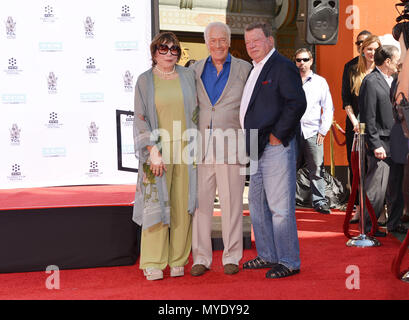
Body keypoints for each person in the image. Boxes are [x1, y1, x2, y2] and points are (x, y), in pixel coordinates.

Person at [240, 22, 306, 279]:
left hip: (275, 147)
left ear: (270, 40)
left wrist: (278, 135)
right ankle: (267, 254)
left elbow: (296, 103)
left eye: (256, 40)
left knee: (280, 208)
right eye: (247, 43)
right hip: (256, 147)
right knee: (256, 205)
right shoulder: (255, 68)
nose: (251, 46)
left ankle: (289, 261)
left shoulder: (283, 66)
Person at [132, 32, 198, 280]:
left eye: (175, 50)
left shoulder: (188, 76)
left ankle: (178, 259)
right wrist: (152, 151)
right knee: (155, 206)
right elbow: (140, 119)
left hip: (186, 150)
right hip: (156, 152)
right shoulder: (144, 81)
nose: (170, 53)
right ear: (153, 52)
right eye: (164, 48)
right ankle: (153, 261)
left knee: (183, 205)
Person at [189, 22, 252, 277]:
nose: (217, 45)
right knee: (201, 206)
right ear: (206, 42)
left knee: (232, 204)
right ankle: (201, 258)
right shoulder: (193, 70)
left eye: (222, 40)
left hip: (232, 145)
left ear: (229, 41)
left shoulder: (245, 69)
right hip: (201, 147)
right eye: (213, 40)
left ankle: (232, 256)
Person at [359, 45, 408, 236]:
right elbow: (367, 116)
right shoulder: (371, 81)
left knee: (396, 186)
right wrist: (375, 144)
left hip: (397, 140)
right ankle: (368, 227)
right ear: (387, 61)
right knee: (377, 189)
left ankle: (394, 223)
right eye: (397, 60)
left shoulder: (396, 80)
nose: (399, 63)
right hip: (381, 142)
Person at [342, 34, 381, 223]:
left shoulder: (381, 69)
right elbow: (346, 100)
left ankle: (378, 209)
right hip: (355, 126)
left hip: (377, 126)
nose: (372, 53)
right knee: (356, 167)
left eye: (375, 49)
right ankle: (358, 207)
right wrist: (354, 122)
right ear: (362, 49)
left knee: (375, 167)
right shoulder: (350, 68)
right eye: (369, 49)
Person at [295, 48, 334, 214]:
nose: (302, 63)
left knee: (317, 169)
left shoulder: (320, 82)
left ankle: (319, 201)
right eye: (298, 60)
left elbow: (328, 107)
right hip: (293, 131)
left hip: (313, 131)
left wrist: (323, 130)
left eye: (305, 59)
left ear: (311, 61)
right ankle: (287, 200)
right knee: (289, 168)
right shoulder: (290, 80)